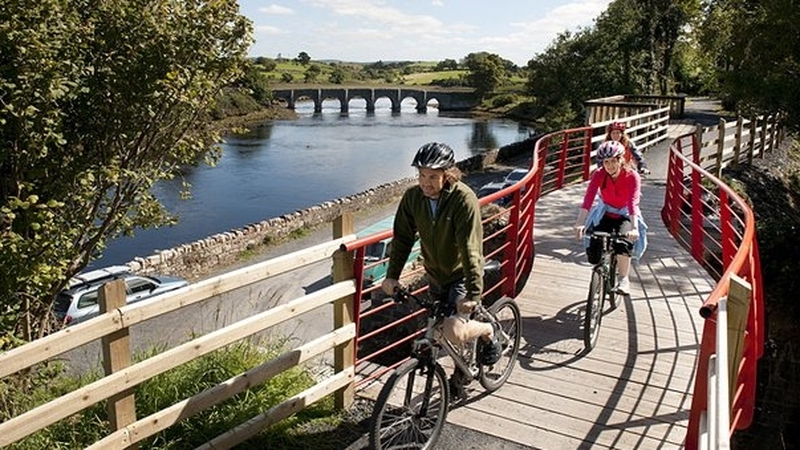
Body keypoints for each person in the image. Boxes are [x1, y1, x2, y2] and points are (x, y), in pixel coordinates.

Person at [381, 142, 502, 396]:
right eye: (421, 175)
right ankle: (461, 371)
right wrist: (392, 277)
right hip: (435, 275)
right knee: (436, 330)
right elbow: (402, 239)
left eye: (432, 177)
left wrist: (473, 293)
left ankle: (488, 330)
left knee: (454, 330)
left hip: (461, 275)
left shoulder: (463, 199)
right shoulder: (413, 198)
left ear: (448, 174)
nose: (425, 183)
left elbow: (470, 248)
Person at [573, 140, 646, 295]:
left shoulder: (632, 176)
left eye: (613, 161)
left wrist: (634, 228)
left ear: (621, 160)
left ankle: (624, 279)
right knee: (593, 248)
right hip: (605, 211)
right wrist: (579, 223)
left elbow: (633, 203)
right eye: (606, 162)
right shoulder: (599, 174)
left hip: (625, 214)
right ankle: (601, 269)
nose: (610, 165)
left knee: (622, 243)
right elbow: (588, 199)